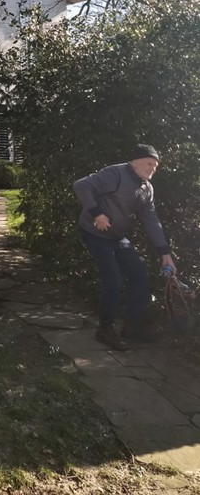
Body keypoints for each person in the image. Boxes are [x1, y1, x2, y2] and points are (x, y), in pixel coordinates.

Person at [73, 144, 177, 350]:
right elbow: (81, 185)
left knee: (140, 273)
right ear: (135, 162)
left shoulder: (146, 189)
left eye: (155, 166)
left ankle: (132, 327)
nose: (152, 169)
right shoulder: (116, 174)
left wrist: (165, 253)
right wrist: (97, 214)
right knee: (113, 279)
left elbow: (151, 220)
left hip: (116, 236)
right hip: (95, 233)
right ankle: (105, 329)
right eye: (149, 163)